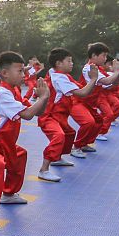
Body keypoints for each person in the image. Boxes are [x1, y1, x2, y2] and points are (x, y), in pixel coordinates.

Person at [0, 52, 48, 232]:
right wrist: (44, 97)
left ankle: (9, 193)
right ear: (5, 73)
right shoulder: (1, 93)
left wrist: (43, 98)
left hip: (4, 140)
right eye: (20, 71)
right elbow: (27, 114)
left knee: (19, 155)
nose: (24, 75)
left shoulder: (14, 91)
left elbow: (37, 111)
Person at [36, 48, 99, 180]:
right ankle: (44, 169)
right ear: (58, 63)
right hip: (49, 116)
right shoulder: (59, 78)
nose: (72, 63)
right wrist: (94, 79)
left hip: (60, 116)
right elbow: (82, 93)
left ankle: (57, 158)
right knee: (58, 136)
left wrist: (91, 81)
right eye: (69, 61)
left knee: (69, 134)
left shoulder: (62, 75)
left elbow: (80, 87)